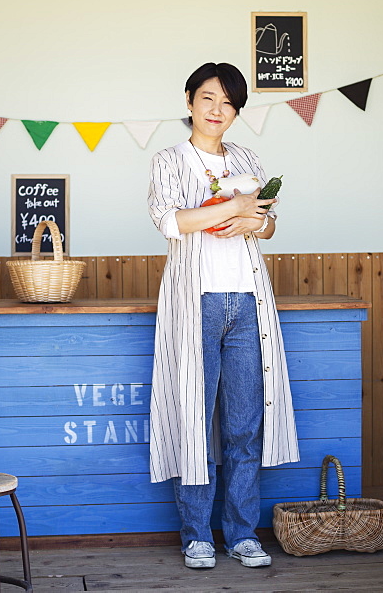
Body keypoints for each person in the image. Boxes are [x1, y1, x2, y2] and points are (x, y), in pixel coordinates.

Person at [147, 62, 299, 570]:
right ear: (189, 101)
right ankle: (196, 535)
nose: (218, 110)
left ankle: (241, 533)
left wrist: (253, 216)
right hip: (197, 303)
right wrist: (236, 208)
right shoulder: (169, 160)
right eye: (209, 98)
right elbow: (173, 222)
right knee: (192, 418)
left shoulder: (248, 158)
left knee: (243, 425)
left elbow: (270, 225)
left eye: (229, 103)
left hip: (247, 301)